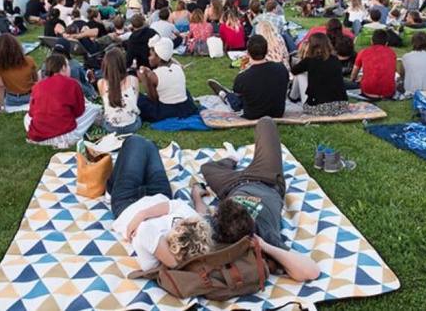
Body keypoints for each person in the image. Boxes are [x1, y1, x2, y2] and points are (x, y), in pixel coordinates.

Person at [195, 117, 321, 282]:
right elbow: (312, 272)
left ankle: (232, 159)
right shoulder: (265, 236)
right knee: (266, 123)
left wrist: (196, 196)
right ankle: (233, 160)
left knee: (207, 167)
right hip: (266, 178)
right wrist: (265, 246)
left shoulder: (218, 227)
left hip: (231, 185)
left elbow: (202, 214)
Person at [109, 134, 213, 271]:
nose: (176, 221)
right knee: (150, 145)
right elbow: (175, 205)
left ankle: (110, 186)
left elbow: (145, 229)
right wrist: (142, 215)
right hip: (158, 193)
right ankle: (114, 182)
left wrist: (174, 264)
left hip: (127, 202)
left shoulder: (152, 259)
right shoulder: (195, 231)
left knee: (136, 141)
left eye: (176, 224)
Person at [208, 35, 288, 120]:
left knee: (236, 100)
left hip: (253, 114)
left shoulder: (243, 77)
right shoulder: (281, 68)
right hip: (277, 112)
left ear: (247, 53)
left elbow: (237, 91)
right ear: (267, 51)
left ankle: (224, 95)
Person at [24, 55, 96, 146]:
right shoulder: (73, 83)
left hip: (39, 137)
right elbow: (79, 111)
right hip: (67, 135)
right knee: (94, 109)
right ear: (63, 67)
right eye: (68, 65)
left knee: (27, 117)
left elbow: (32, 113)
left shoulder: (37, 86)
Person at [137, 37, 198, 123]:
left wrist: (144, 80)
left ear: (159, 58)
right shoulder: (178, 67)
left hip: (167, 111)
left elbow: (153, 99)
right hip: (186, 108)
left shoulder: (153, 75)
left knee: (138, 97)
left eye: (151, 55)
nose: (149, 58)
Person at [290, 33, 349, 115]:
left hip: (318, 108)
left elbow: (294, 71)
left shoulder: (309, 60)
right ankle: (293, 96)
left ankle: (293, 96)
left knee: (300, 74)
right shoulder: (335, 59)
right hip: (341, 106)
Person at [0, 34, 39, 110]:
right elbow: (36, 79)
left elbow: (0, 86)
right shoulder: (29, 60)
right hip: (31, 96)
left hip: (12, 99)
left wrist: (1, 107)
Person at [98, 48, 142, 134]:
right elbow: (135, 101)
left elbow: (105, 105)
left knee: (98, 117)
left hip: (111, 127)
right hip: (132, 126)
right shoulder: (133, 79)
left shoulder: (101, 83)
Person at [351, 29, 397, 99]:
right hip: (388, 92)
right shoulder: (392, 53)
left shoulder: (364, 52)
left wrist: (353, 80)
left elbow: (354, 74)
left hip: (367, 91)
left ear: (371, 41)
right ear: (386, 43)